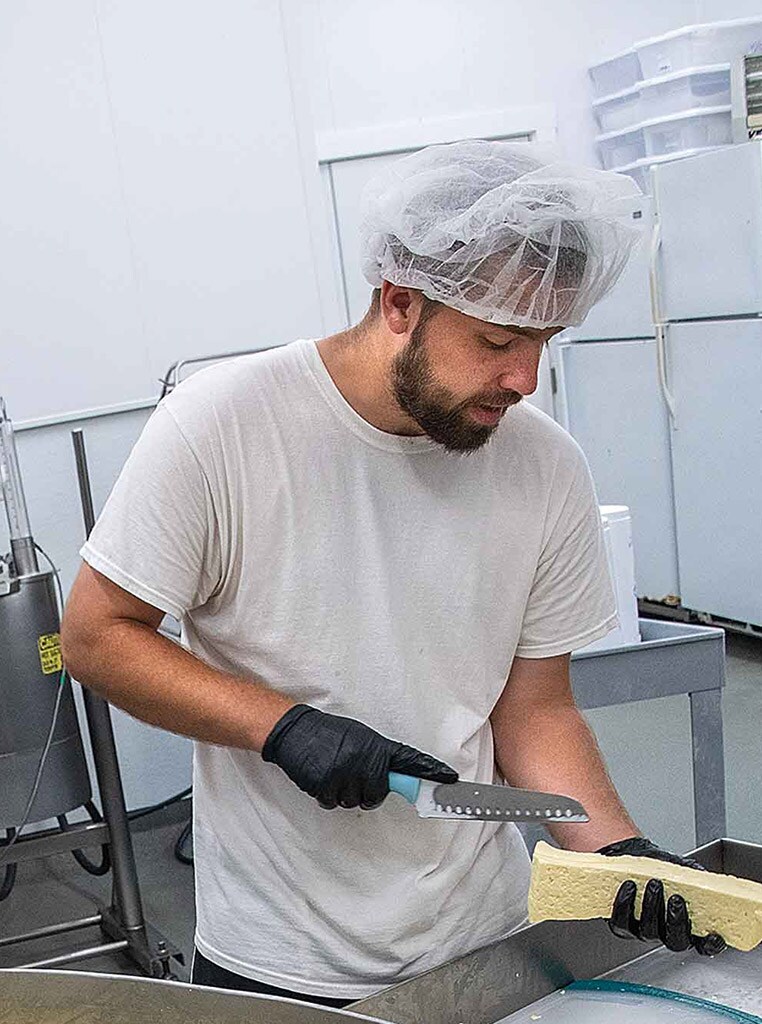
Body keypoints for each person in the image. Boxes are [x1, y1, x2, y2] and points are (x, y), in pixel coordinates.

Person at [60, 140, 725, 1008]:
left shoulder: (545, 467)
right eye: (497, 340)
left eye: (545, 341)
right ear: (402, 301)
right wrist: (283, 727)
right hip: (281, 958)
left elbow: (534, 708)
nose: (525, 378)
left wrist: (613, 853)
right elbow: (96, 637)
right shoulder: (222, 426)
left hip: (485, 942)